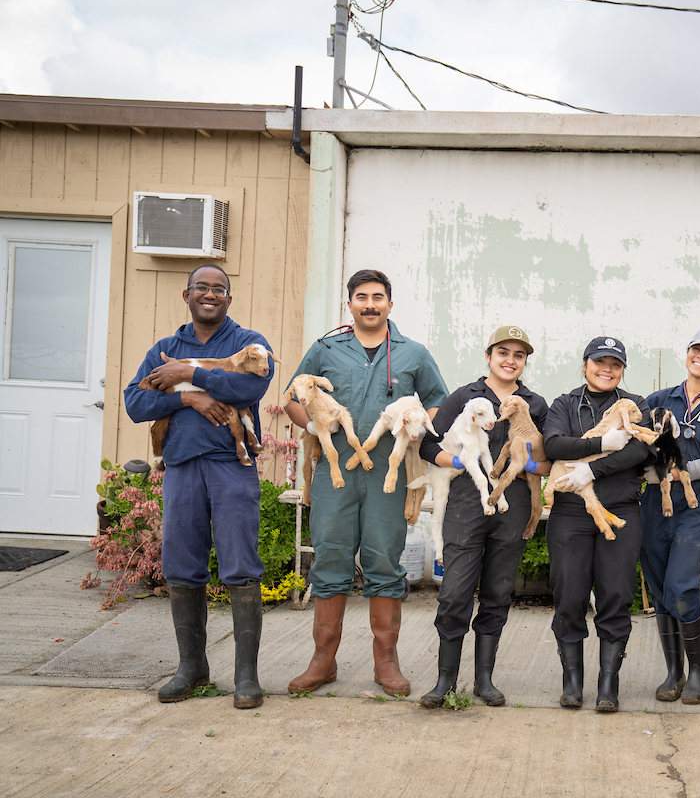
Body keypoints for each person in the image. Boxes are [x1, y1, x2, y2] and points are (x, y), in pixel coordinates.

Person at [286, 269, 448, 698]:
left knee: (383, 560)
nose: (370, 304)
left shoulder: (413, 354)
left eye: (378, 297)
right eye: (362, 297)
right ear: (351, 304)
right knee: (330, 558)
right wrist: (315, 428)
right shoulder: (325, 349)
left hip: (386, 475)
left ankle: (386, 660)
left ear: (390, 305)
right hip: (335, 474)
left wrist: (415, 428)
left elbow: (438, 403)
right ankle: (323, 659)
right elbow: (292, 398)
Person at [124, 264, 275, 709]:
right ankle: (191, 668)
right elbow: (136, 402)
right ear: (186, 294)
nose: (210, 294)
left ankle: (246, 676)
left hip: (232, 465)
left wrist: (191, 375)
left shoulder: (248, 343)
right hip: (183, 466)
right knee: (182, 566)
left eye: (219, 289)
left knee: (242, 564)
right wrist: (187, 397)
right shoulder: (164, 348)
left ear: (229, 299)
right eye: (202, 288)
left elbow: (252, 385)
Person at [417, 326, 551, 708]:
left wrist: (537, 468)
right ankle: (444, 681)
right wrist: (453, 460)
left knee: (497, 592)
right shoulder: (464, 396)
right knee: (455, 591)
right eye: (503, 352)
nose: (510, 360)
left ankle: (484, 680)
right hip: (465, 504)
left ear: (525, 361)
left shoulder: (535, 404)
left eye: (519, 355)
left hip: (513, 509)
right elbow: (429, 442)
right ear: (489, 356)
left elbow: (549, 452)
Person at [543, 336, 654, 712]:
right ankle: (572, 682)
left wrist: (591, 467)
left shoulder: (636, 404)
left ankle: (609, 684)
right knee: (570, 596)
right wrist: (607, 442)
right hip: (571, 513)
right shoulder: (565, 403)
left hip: (621, 510)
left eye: (615, 364)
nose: (607, 370)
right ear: (586, 363)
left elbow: (642, 448)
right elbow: (554, 445)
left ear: (622, 369)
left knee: (616, 597)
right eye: (599, 362)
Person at [639, 328, 700, 705]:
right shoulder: (659, 400)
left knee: (682, 585)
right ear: (687, 353)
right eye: (696, 349)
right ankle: (674, 672)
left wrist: (671, 472)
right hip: (654, 506)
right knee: (662, 588)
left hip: (697, 509)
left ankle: (699, 670)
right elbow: (639, 446)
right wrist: (648, 473)